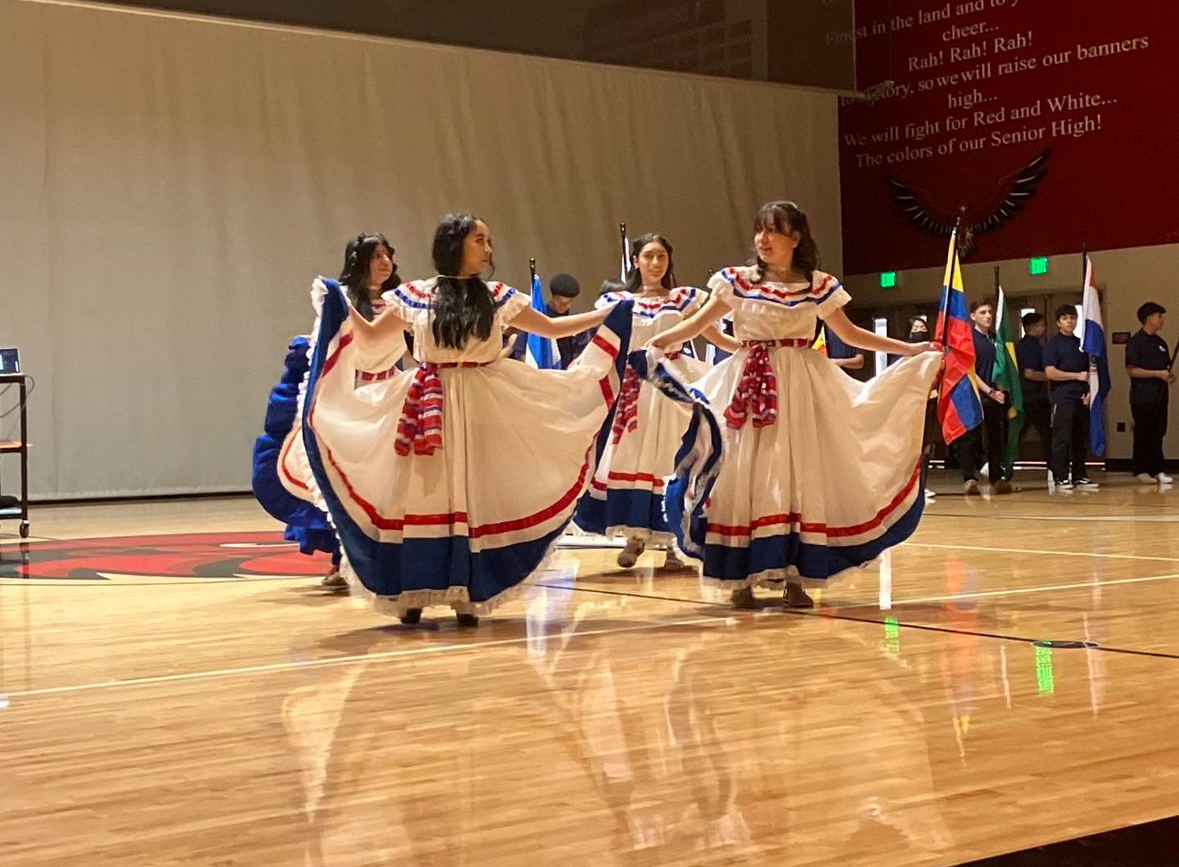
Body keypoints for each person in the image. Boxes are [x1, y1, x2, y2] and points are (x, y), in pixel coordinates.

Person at [299, 213, 633, 627]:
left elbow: (550, 329)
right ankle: (413, 591)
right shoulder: (416, 295)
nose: (489, 249)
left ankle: (466, 589)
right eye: (480, 240)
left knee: (472, 495)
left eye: (489, 241)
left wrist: (609, 317)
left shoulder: (496, 295)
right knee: (423, 494)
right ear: (455, 243)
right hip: (426, 402)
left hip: (482, 399)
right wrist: (337, 304)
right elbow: (368, 337)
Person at [641, 200, 941, 608]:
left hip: (800, 385)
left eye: (773, 231)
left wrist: (908, 349)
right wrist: (658, 342)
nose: (763, 239)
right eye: (759, 231)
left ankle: (795, 576)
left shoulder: (817, 285)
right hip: (747, 383)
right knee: (742, 470)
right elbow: (696, 324)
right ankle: (741, 575)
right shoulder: (737, 281)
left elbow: (851, 335)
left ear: (794, 238)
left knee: (798, 472)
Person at [574, 233, 739, 570]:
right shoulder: (620, 302)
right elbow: (608, 344)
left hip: (673, 386)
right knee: (635, 459)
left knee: (670, 456)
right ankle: (636, 536)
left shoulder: (683, 299)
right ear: (636, 260)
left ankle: (672, 543)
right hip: (636, 389)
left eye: (661, 256)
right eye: (648, 256)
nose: (655, 263)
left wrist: (753, 349)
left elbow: (714, 336)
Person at [252, 233, 404, 592]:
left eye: (388, 256)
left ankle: (390, 561)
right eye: (376, 255)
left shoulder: (402, 303)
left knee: (387, 485)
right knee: (340, 481)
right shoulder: (340, 304)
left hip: (388, 399)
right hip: (348, 402)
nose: (385, 262)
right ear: (359, 261)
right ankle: (344, 559)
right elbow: (327, 351)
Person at [959, 300, 1012, 494]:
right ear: (973, 316)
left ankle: (996, 477)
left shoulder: (995, 339)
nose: (988, 316)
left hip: (995, 396)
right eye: (983, 312)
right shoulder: (969, 340)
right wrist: (988, 390)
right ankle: (969, 477)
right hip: (974, 394)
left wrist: (999, 390)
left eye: (990, 312)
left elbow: (1001, 368)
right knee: (970, 438)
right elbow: (969, 370)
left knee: (995, 437)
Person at [1043, 304, 1096, 489]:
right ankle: (1060, 476)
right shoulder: (1052, 344)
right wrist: (1075, 376)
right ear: (1058, 322)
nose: (1069, 321)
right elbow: (1050, 372)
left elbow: (1089, 372)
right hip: (1062, 398)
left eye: (1072, 318)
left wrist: (1089, 392)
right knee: (1061, 438)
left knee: (1080, 438)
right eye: (1065, 318)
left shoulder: (1081, 345)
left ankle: (1080, 475)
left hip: (1081, 398)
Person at [1125, 301, 1175, 484]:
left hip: (1160, 396)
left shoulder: (1161, 343)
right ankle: (1141, 469)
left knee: (1158, 432)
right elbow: (1132, 370)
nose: (1161, 320)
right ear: (1148, 319)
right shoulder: (1135, 342)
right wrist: (1157, 374)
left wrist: (1168, 376)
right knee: (1143, 433)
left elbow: (1165, 368)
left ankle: (1157, 469)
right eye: (1158, 316)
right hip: (1142, 397)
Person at [1015, 311, 1052, 468]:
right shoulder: (1029, 346)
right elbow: (1029, 373)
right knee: (1047, 433)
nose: (1044, 328)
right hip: (1033, 396)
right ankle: (1054, 468)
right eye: (1041, 325)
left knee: (1020, 432)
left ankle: (996, 464)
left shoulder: (1032, 345)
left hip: (1030, 396)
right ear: (1031, 327)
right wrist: (1051, 376)